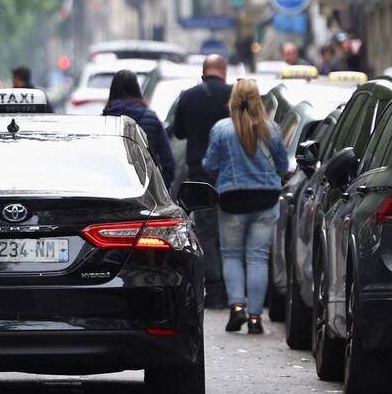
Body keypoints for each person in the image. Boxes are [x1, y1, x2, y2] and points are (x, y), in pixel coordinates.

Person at [202, 79, 287, 335]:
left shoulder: (221, 129)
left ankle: (237, 306)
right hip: (265, 199)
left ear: (233, 100)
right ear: (258, 100)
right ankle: (254, 318)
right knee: (258, 258)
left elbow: (209, 164)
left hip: (232, 200)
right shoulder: (270, 128)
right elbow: (282, 164)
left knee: (231, 255)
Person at [169, 54, 232, 308]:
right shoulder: (235, 95)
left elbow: (180, 131)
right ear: (224, 72)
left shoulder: (189, 95)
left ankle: (214, 289)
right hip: (231, 172)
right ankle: (233, 289)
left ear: (204, 71)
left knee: (206, 230)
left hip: (199, 175)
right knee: (230, 232)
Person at [102, 70, 175, 185]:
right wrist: (163, 187)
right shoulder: (151, 118)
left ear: (113, 91)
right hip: (147, 187)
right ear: (137, 89)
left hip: (113, 186)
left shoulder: (104, 120)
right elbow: (168, 161)